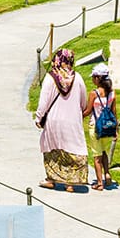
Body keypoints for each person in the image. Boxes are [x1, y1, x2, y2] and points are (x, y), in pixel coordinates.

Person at [32, 49, 90, 190]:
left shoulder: (50, 78)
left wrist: (39, 117)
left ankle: (52, 179)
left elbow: (43, 102)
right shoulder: (78, 78)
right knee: (74, 148)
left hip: (54, 120)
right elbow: (83, 102)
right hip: (72, 120)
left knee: (53, 150)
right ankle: (71, 183)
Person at [86, 68, 119, 190]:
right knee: (104, 151)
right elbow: (114, 112)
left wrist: (77, 116)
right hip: (108, 127)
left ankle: (100, 183)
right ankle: (107, 175)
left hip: (95, 126)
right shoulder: (112, 93)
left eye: (93, 77)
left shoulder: (94, 94)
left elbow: (88, 111)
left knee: (97, 155)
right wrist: (116, 129)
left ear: (98, 78)